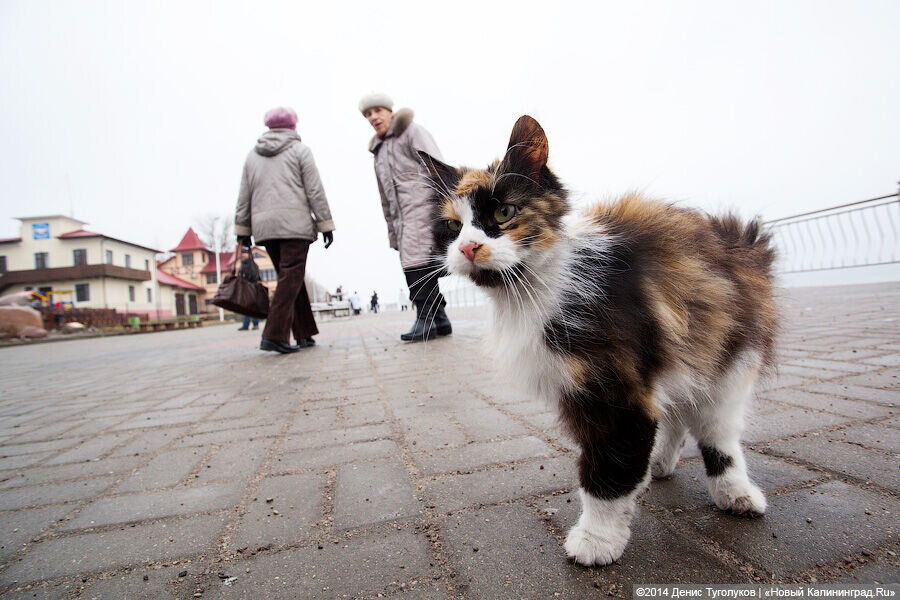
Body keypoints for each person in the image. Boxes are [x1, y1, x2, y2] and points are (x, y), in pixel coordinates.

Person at [235, 106, 335, 354]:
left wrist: (242, 228)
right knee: (289, 279)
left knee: (291, 277)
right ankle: (274, 335)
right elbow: (314, 190)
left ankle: (303, 332)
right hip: (294, 226)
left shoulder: (252, 155)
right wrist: (325, 223)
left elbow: (244, 194)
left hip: (265, 227)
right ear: (293, 126)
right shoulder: (300, 150)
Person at [359, 93, 451, 341]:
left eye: (377, 110)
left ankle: (426, 319)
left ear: (390, 111)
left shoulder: (411, 132)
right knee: (417, 263)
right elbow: (384, 196)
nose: (373, 117)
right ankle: (440, 320)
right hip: (401, 218)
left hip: (423, 209)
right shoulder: (378, 151)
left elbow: (437, 166)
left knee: (416, 264)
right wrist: (392, 230)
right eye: (368, 114)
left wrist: (443, 209)